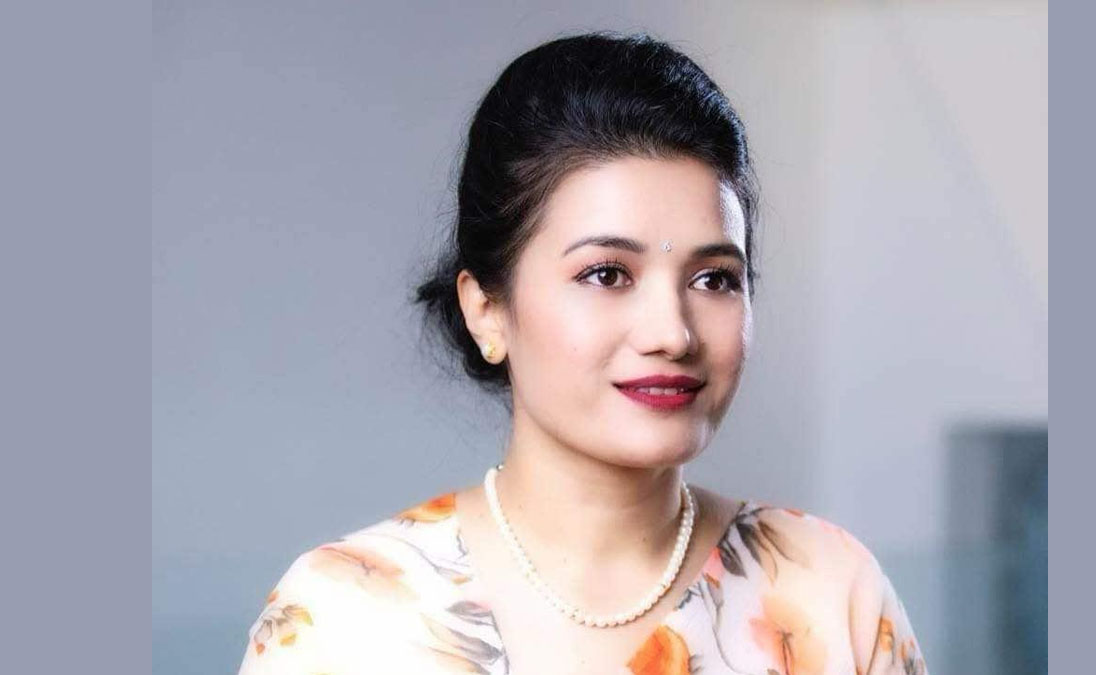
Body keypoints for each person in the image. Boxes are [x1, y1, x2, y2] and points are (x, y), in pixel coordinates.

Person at [236, 31, 928, 675]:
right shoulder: (344, 622)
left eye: (713, 279)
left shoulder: (827, 593)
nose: (673, 333)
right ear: (486, 308)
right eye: (606, 274)